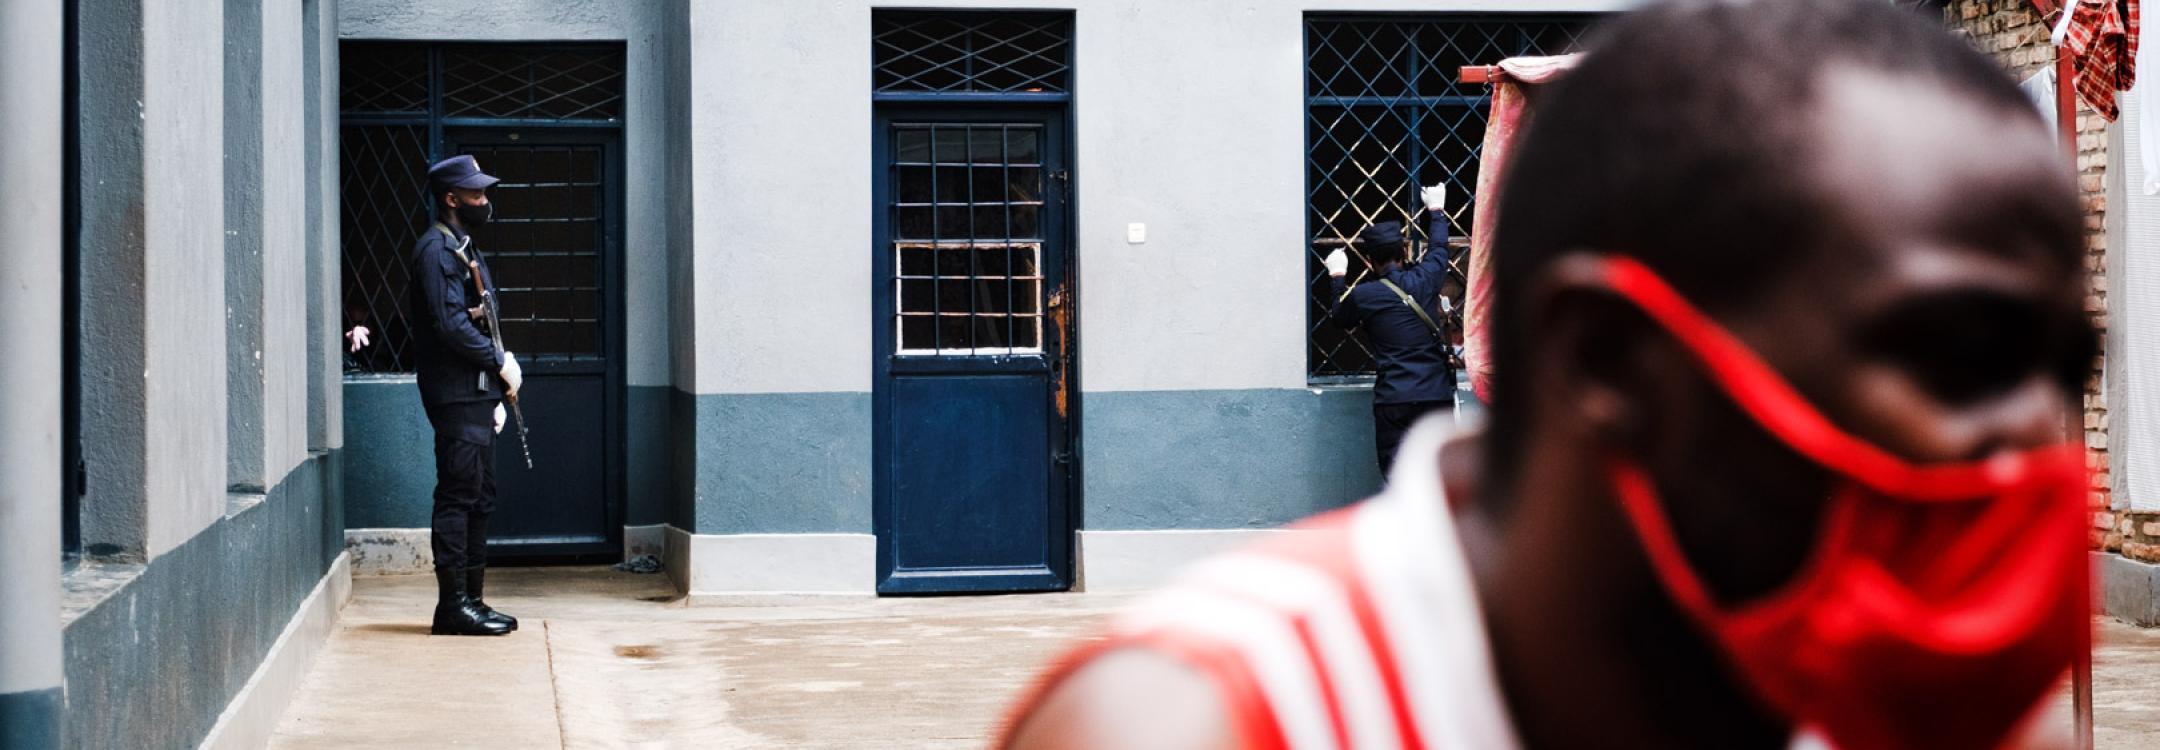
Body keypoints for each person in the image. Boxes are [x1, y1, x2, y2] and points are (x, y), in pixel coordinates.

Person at [1000, 1, 2094, 748]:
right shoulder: (1211, 718)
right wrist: (1434, 231)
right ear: (1607, 359)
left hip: (1399, 399)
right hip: (1421, 398)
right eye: (1955, 354)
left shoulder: (1935, 711)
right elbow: (1434, 271)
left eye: (2060, 369)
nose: (2031, 440)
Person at [409, 154, 522, 637]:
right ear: (451, 198)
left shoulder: (462, 247)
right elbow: (451, 325)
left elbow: (480, 318)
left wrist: (494, 388)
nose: (484, 200)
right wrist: (498, 362)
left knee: (479, 496)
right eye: (476, 194)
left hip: (474, 394)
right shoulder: (437, 251)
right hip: (455, 395)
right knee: (458, 496)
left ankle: (472, 600)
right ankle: (452, 607)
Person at [1325, 185, 1457, 475]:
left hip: (1394, 398)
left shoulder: (1364, 296)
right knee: (1440, 478)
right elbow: (1438, 251)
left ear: (1370, 261)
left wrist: (1337, 276)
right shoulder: (1425, 279)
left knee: (1397, 476)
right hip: (1434, 394)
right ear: (1403, 252)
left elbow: (1339, 318)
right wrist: (1436, 211)